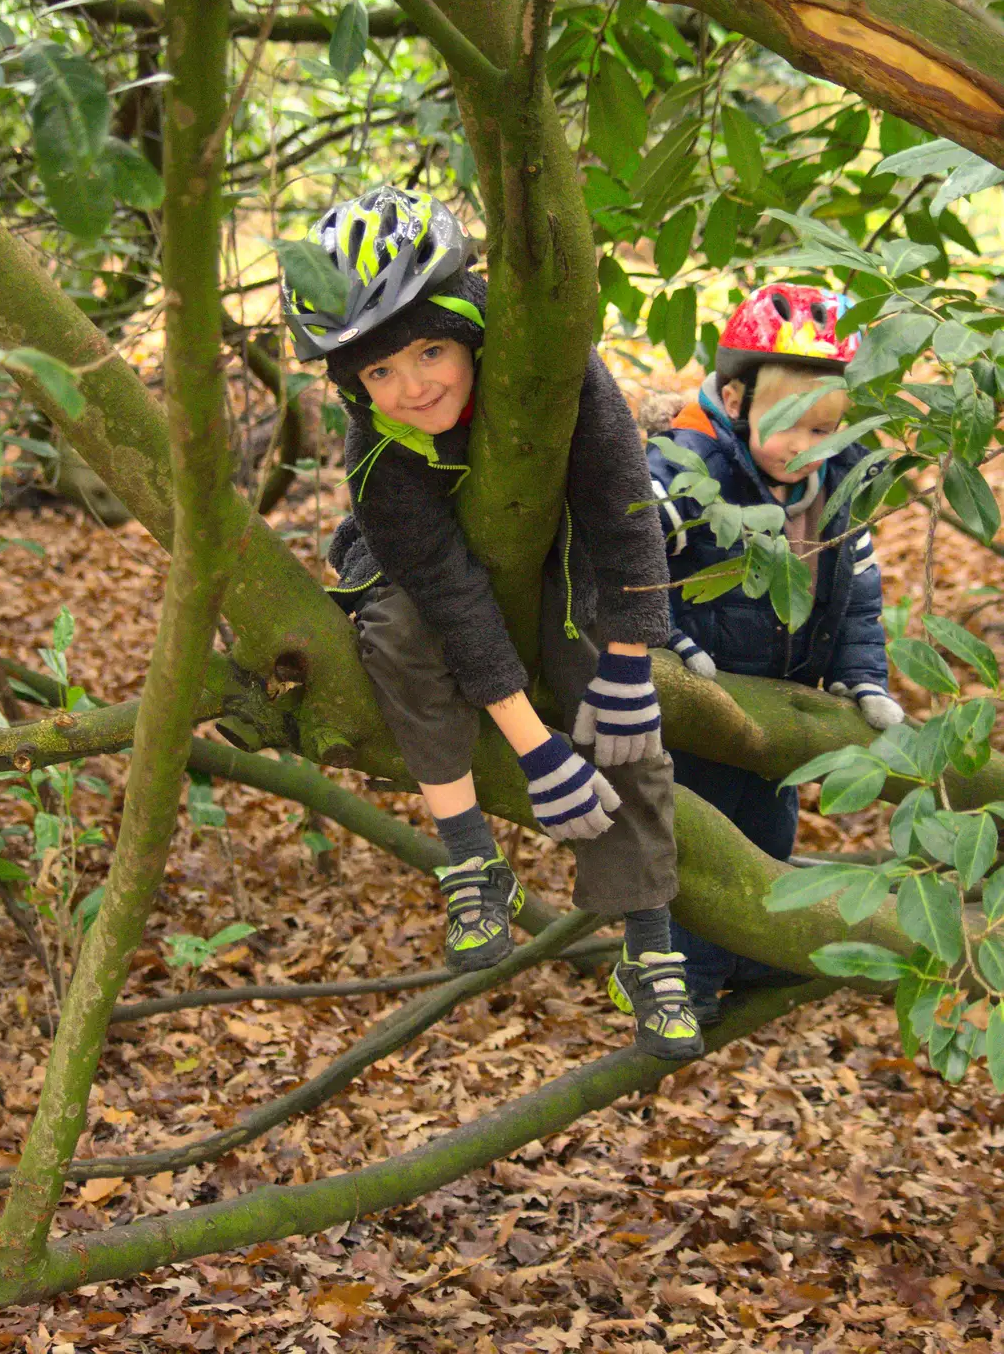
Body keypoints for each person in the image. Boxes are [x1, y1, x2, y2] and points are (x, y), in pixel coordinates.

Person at [282, 186, 706, 1060]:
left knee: (604, 694)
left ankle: (650, 939)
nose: (413, 386)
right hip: (425, 576)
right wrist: (535, 751)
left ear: (467, 329)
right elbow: (449, 598)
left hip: (564, 553)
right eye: (380, 373)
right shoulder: (380, 454)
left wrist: (631, 663)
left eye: (430, 350)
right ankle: (471, 858)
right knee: (398, 637)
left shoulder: (554, 372)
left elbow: (621, 508)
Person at [646, 282, 904, 1024]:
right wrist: (666, 633)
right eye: (788, 425)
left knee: (768, 833)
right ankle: (681, 985)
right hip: (706, 698)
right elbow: (632, 555)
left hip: (784, 705)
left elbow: (853, 585)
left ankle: (757, 955)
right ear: (734, 398)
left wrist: (860, 673)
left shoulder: (838, 480)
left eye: (826, 428)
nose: (807, 447)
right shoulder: (686, 469)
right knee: (700, 846)